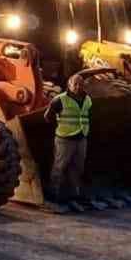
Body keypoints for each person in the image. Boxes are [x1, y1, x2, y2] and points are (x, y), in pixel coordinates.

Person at [44, 74, 92, 207]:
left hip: (81, 138)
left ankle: (73, 194)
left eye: (80, 84)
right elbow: (48, 116)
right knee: (59, 167)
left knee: (77, 168)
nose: (77, 87)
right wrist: (61, 126)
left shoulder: (87, 99)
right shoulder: (60, 100)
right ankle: (54, 194)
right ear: (69, 85)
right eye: (75, 84)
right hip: (65, 139)